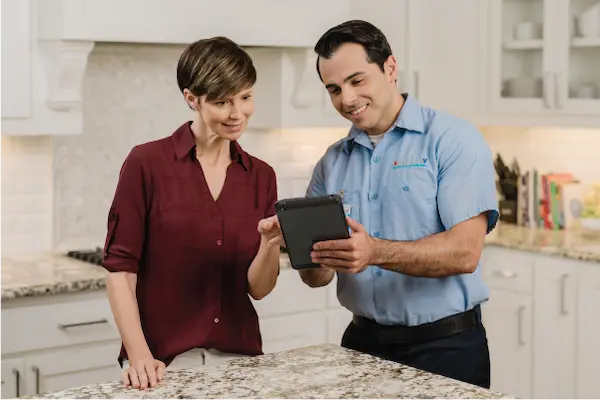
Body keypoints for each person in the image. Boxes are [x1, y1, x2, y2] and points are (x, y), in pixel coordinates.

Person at [298, 20, 499, 389]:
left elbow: (464, 253)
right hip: (360, 348)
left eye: (357, 81)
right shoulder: (331, 162)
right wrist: (300, 246)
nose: (346, 99)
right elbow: (316, 277)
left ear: (390, 68)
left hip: (446, 349)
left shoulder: (452, 139)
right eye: (334, 89)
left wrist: (373, 252)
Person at [101, 36, 283, 391]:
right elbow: (121, 270)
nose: (237, 113)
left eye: (245, 97)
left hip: (239, 362)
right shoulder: (146, 164)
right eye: (222, 102)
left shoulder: (261, 176)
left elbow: (258, 290)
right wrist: (138, 355)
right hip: (158, 363)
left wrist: (269, 244)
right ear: (191, 99)